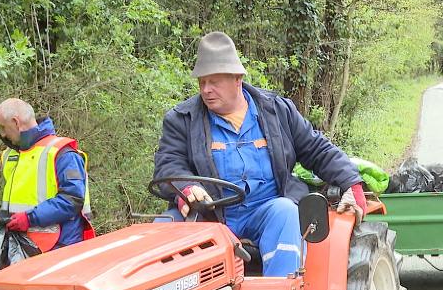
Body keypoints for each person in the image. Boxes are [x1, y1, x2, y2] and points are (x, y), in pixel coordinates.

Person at [153, 32, 365, 277]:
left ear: (237, 79)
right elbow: (168, 165)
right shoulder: (182, 119)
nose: (206, 90)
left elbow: (315, 148)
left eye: (214, 82)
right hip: (210, 216)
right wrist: (187, 189)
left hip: (267, 211)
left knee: (286, 212)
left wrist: (351, 182)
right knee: (162, 230)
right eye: (202, 82)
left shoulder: (276, 110)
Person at [0, 98, 93, 252]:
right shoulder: (11, 155)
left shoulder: (63, 153)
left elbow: (72, 200)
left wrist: (29, 218)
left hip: (60, 247)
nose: (2, 134)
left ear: (16, 123)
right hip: (22, 247)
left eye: (2, 127)